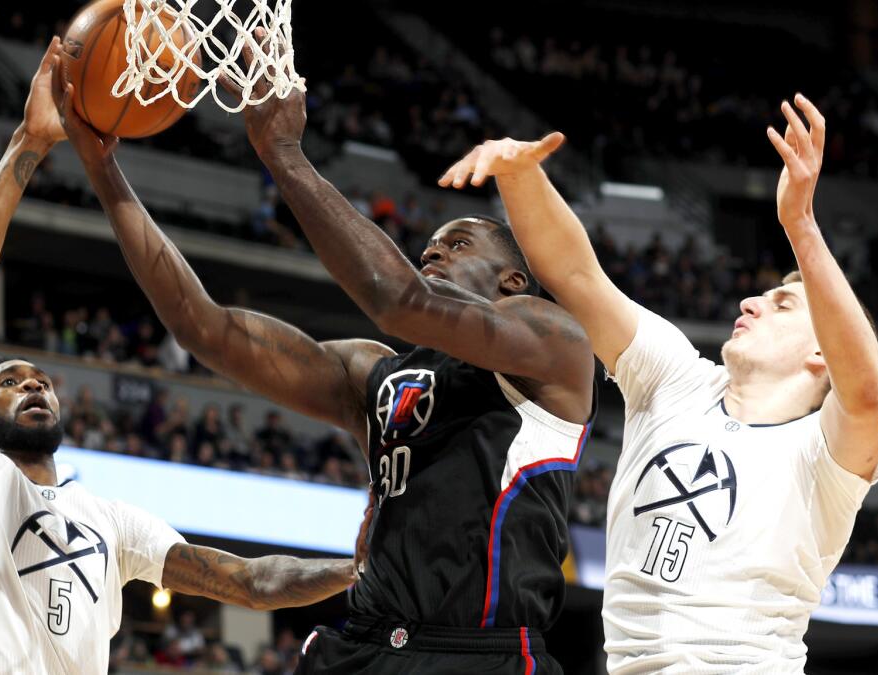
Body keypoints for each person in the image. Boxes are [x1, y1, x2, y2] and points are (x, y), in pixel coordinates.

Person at [56, 34, 595, 674]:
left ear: (512, 281)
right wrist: (101, 167)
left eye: (455, 244)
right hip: (364, 645)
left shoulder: (552, 343)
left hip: (479, 655)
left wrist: (283, 154)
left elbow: (398, 297)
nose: (431, 253)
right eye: (428, 247)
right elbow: (206, 330)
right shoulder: (374, 373)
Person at [0, 39, 365, 675]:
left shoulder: (112, 521)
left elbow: (250, 583)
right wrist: (30, 142)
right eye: (11, 382)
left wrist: (358, 566)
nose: (34, 388)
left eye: (41, 381)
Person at [439, 94, 878, 672]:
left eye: (781, 305)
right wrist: (521, 176)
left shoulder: (825, 454)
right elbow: (576, 276)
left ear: (823, 351)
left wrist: (799, 224)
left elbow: (866, 390)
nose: (751, 301)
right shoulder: (676, 379)